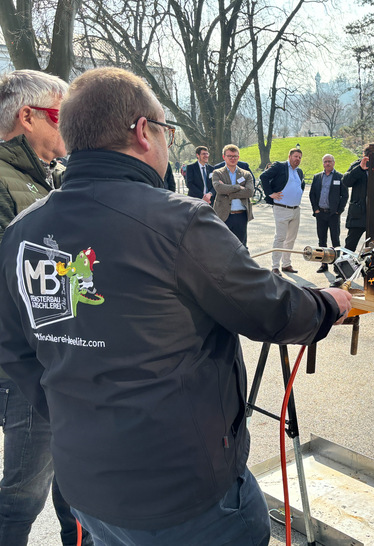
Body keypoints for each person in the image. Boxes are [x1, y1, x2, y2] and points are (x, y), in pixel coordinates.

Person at [0, 67, 352, 546]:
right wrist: (329, 303)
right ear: (144, 132)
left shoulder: (22, 230)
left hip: (86, 483)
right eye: (166, 129)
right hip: (187, 497)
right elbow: (270, 310)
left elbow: (14, 349)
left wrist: (68, 411)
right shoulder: (177, 221)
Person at [0, 70, 92, 546]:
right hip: (27, 365)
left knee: (75, 488)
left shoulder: (48, 177)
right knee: (21, 495)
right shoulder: (3, 181)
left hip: (61, 353)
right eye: (62, 115)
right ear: (28, 116)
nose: (70, 126)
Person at [260, 148, 305, 275]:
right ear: (289, 156)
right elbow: (263, 176)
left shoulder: (299, 172)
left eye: (300, 157)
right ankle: (275, 266)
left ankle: (286, 264)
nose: (298, 159)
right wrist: (270, 193)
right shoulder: (280, 166)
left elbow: (300, 185)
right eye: (296, 156)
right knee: (280, 237)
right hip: (282, 208)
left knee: (291, 239)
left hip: (296, 210)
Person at [309, 154, 348, 273]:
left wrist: (338, 211)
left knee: (335, 240)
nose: (327, 163)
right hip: (320, 213)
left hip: (333, 214)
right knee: (322, 240)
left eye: (329, 161)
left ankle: (337, 265)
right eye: (325, 162)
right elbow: (312, 194)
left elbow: (345, 195)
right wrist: (315, 209)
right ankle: (324, 264)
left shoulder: (340, 177)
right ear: (323, 163)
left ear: (334, 163)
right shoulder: (317, 177)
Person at [212, 144, 255, 246]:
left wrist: (228, 192)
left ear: (238, 157)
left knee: (241, 247)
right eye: (229, 156)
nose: (232, 158)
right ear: (224, 157)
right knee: (222, 246)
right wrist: (238, 187)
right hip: (223, 215)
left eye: (235, 156)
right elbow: (219, 189)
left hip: (241, 215)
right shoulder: (217, 173)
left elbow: (249, 192)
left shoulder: (246, 174)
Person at [342, 151, 369, 253]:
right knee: (350, 245)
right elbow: (346, 182)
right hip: (358, 213)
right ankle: (344, 267)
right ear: (364, 155)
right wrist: (360, 169)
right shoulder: (356, 165)